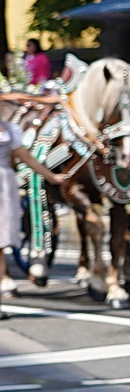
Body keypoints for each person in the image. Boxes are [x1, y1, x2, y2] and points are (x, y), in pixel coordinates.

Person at [0, 118, 67, 297]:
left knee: (2, 233)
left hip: (4, 183)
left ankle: (3, 279)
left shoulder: (10, 129)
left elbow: (27, 158)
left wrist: (52, 177)